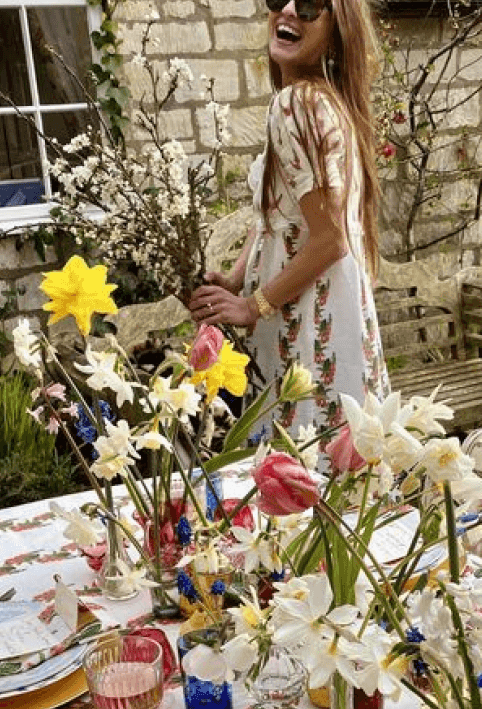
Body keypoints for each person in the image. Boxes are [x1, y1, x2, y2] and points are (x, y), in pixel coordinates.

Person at [186, 0, 388, 431]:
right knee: (342, 472)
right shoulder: (327, 102)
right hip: (332, 314)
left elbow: (330, 239)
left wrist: (252, 305)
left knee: (296, 470)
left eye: (312, 3)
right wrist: (238, 277)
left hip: (306, 323)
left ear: (335, 30)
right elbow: (278, 216)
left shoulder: (296, 105)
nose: (290, 10)